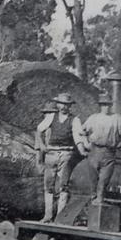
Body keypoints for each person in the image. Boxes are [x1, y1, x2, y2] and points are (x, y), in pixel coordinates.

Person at [36, 93, 88, 222]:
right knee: (48, 185)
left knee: (63, 185)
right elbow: (39, 129)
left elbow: (78, 138)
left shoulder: (75, 120)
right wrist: (42, 145)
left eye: (67, 105)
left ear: (70, 106)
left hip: (66, 154)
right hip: (51, 154)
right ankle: (48, 216)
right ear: (58, 105)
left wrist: (82, 151)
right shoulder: (51, 117)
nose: (64, 107)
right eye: (62, 104)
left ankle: (60, 217)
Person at [81, 93, 121, 203]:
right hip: (94, 151)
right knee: (94, 180)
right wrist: (86, 144)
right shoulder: (93, 118)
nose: (106, 107)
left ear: (111, 106)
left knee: (104, 180)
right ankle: (94, 202)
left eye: (108, 105)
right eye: (104, 105)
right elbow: (82, 132)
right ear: (100, 106)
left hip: (109, 153)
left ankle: (100, 201)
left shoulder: (117, 119)